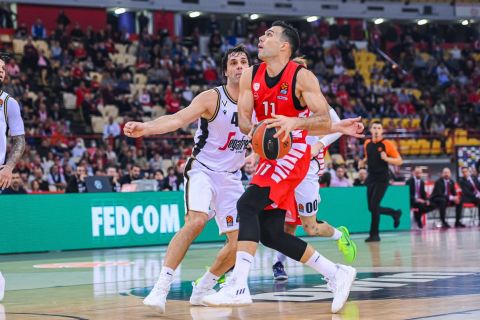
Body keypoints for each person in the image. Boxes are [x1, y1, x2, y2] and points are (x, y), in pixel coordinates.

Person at [203, 21, 363, 314]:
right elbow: (245, 120)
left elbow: (324, 121)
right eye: (263, 34)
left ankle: (238, 285)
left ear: (284, 46)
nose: (261, 38)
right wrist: (257, 132)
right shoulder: (252, 74)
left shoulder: (302, 78)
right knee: (272, 234)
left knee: (247, 205)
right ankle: (335, 272)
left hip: (295, 153)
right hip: (270, 155)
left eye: (269, 35)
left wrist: (295, 122)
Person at [124, 46, 254, 313]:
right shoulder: (212, 98)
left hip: (231, 178)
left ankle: (205, 285)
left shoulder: (258, 102)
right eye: (233, 62)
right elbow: (177, 119)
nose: (239, 66)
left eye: (244, 62)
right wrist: (146, 128)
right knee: (195, 221)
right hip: (203, 170)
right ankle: (161, 287)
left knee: (240, 242)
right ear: (225, 70)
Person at [0, 56, 26, 301]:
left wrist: (8, 167)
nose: (0, 72)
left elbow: (19, 139)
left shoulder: (8, 103)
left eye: (2, 69)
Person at [359, 121, 402, 242]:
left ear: (382, 131)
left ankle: (375, 235)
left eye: (379, 128)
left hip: (382, 179)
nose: (376, 130)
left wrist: (387, 158)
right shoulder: (367, 143)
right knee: (371, 208)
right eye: (374, 128)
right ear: (371, 130)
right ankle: (395, 213)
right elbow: (368, 157)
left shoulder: (386, 144)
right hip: (371, 178)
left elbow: (399, 161)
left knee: (374, 206)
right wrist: (363, 162)